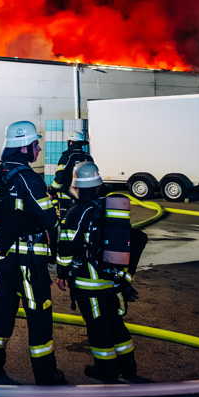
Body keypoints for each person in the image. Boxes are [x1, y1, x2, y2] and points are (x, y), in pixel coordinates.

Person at [0, 120, 67, 386]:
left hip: (1, 258)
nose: (39, 149)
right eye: (35, 144)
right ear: (23, 148)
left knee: (2, 310)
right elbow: (48, 218)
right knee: (39, 313)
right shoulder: (28, 177)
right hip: (27, 262)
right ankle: (45, 374)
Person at [55, 161, 138, 382]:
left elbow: (66, 245)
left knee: (98, 327)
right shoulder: (111, 205)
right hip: (113, 279)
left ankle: (107, 371)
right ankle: (129, 368)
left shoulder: (78, 211)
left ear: (78, 186)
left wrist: (62, 273)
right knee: (116, 324)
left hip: (88, 282)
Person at [49, 131, 93, 215]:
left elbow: (60, 177)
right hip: (86, 197)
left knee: (67, 220)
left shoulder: (67, 156)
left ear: (71, 142)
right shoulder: (88, 157)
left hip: (68, 198)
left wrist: (52, 190)